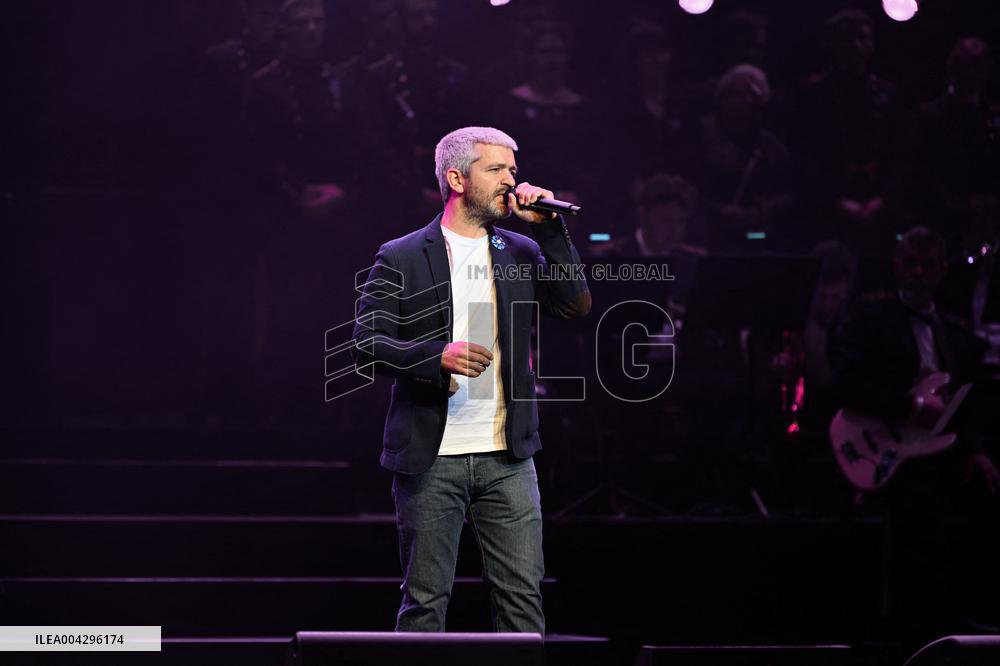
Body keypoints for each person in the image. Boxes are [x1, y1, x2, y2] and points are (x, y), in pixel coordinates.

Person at [352, 127, 591, 632]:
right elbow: (365, 344)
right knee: (424, 603)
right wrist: (435, 356)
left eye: (513, 171)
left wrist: (551, 231)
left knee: (522, 602)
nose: (511, 181)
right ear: (457, 179)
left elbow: (574, 306)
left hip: (508, 457)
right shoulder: (401, 255)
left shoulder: (519, 250)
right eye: (496, 169)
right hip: (431, 455)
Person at [833, 226, 1000, 645]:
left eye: (927, 265)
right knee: (924, 505)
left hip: (935, 447)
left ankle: (973, 610)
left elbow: (963, 402)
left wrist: (976, 450)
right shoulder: (872, 317)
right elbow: (847, 383)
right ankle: (925, 624)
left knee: (988, 491)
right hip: (892, 445)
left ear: (942, 270)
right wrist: (908, 406)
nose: (918, 273)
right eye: (910, 263)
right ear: (896, 266)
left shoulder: (952, 332)